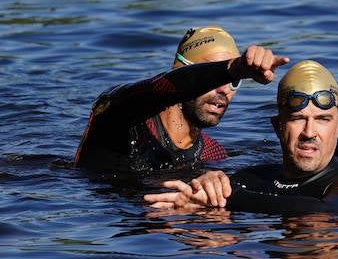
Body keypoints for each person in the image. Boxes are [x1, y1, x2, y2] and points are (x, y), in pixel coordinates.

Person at [146, 60, 338, 214]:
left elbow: (323, 211)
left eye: (322, 120)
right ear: (278, 127)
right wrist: (207, 184)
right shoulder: (254, 178)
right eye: (298, 119)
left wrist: (225, 200)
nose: (309, 133)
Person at [74, 25, 288, 178]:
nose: (225, 89)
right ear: (182, 70)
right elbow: (159, 87)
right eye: (216, 77)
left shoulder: (212, 153)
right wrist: (232, 69)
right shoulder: (125, 118)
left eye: (234, 82)